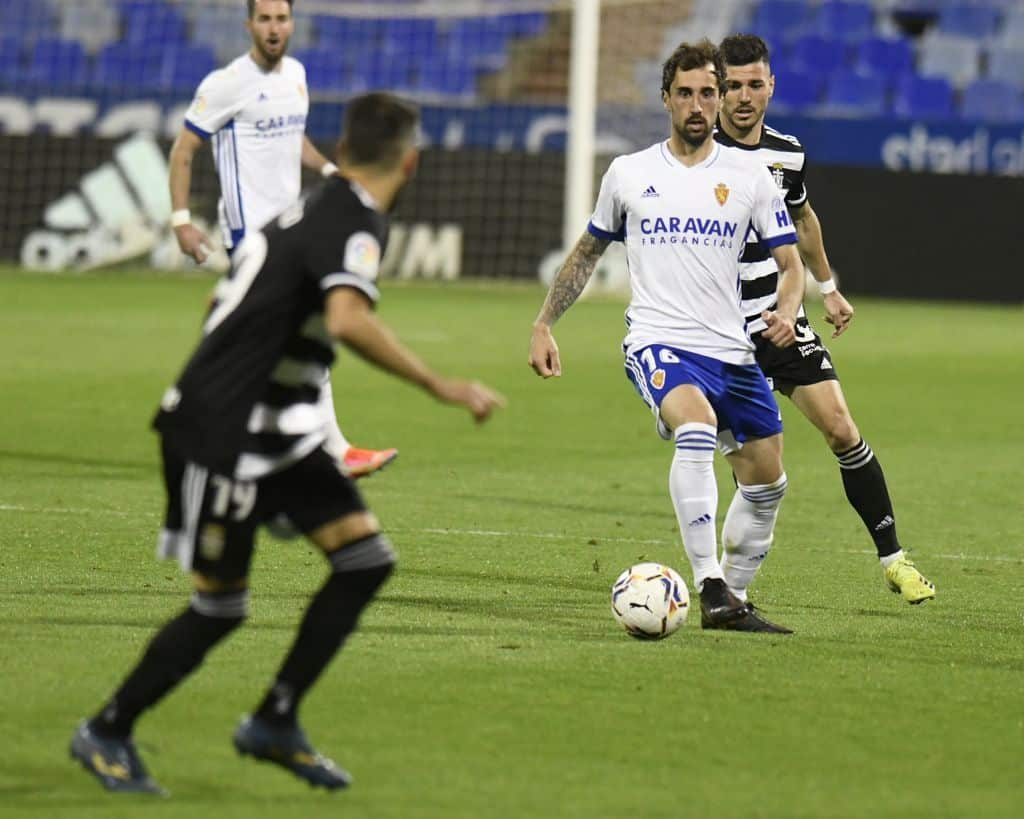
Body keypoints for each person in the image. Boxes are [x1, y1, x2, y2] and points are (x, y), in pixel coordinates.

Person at [70, 92, 506, 796]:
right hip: (221, 432)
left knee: (364, 560)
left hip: (276, 428)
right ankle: (108, 728)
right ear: (412, 160)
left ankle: (275, 719)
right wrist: (441, 385)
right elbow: (347, 318)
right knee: (220, 608)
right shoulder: (356, 217)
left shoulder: (321, 205)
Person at [529, 40, 804, 634]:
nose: (700, 104)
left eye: (711, 91)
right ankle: (707, 583)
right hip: (659, 340)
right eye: (687, 93)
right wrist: (545, 323)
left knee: (768, 482)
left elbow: (791, 265)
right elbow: (585, 254)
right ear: (666, 99)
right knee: (697, 426)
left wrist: (787, 309)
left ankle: (732, 594)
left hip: (732, 348)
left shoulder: (751, 175)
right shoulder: (629, 174)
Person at [715, 34, 935, 604]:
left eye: (754, 84)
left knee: (842, 428)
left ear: (771, 87)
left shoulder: (788, 153)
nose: (743, 97)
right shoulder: (696, 157)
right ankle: (724, 584)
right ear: (716, 90)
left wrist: (828, 288)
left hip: (780, 316)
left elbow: (804, 217)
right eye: (732, 85)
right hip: (718, 330)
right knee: (759, 470)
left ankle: (895, 559)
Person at [167, 0, 397, 480]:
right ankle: (332, 449)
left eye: (282, 18)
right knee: (303, 326)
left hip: (292, 231)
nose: (274, 28)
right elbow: (184, 149)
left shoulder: (295, 73)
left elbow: (296, 139)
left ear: (293, 24)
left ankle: (208, 423)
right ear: (249, 24)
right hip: (250, 235)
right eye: (265, 19)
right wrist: (182, 221)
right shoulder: (225, 84)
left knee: (272, 335)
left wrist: (332, 169)